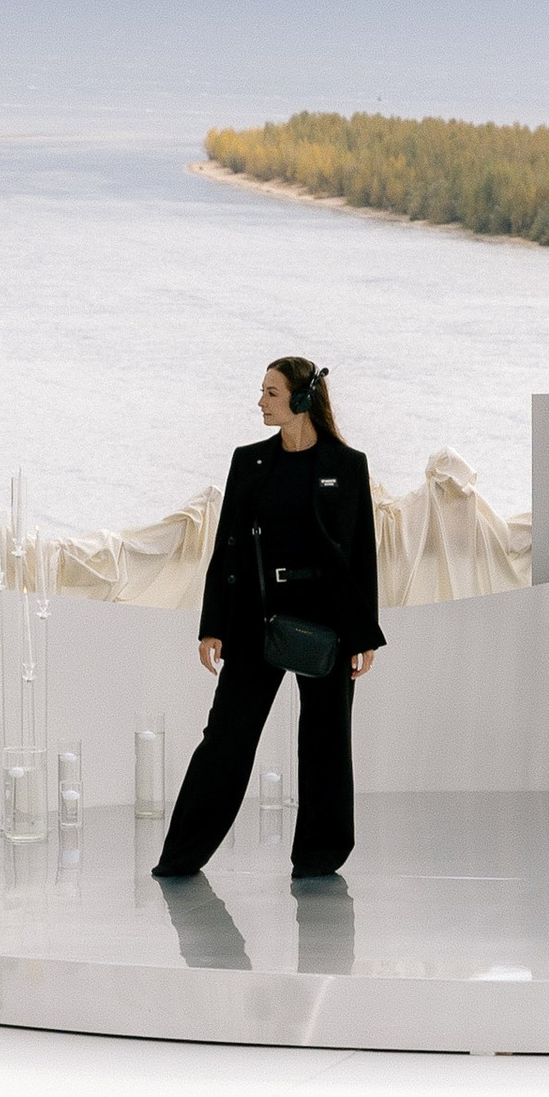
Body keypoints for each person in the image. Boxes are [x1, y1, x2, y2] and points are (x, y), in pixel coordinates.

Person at [152, 356, 381, 884]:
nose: (260, 402)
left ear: (301, 401)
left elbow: (361, 555)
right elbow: (227, 546)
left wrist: (363, 635)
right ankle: (181, 856)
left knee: (325, 741)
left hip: (327, 623)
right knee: (226, 740)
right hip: (256, 619)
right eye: (262, 392)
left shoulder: (347, 466)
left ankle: (318, 860)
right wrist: (213, 625)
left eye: (271, 393)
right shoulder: (249, 462)